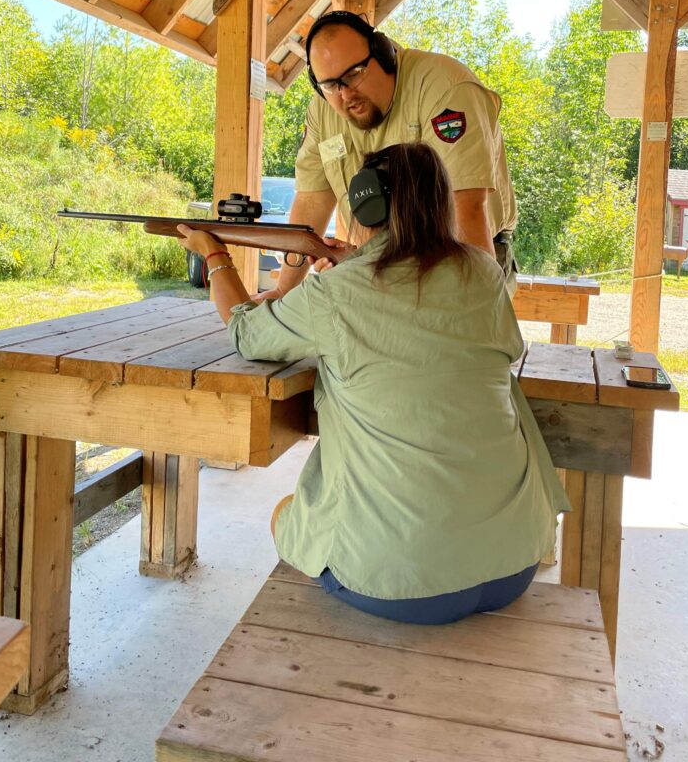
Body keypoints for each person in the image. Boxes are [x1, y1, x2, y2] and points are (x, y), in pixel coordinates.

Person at [177, 142, 568, 625]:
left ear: (366, 203)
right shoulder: (484, 274)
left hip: (400, 582)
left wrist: (214, 254)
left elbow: (245, 332)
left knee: (285, 514)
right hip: (515, 560)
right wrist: (362, 264)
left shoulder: (338, 291)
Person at [257, 10, 518, 302]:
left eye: (354, 74)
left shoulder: (444, 87)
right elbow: (311, 201)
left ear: (383, 54)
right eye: (330, 85)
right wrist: (283, 291)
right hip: (376, 265)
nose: (345, 95)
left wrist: (474, 308)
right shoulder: (322, 109)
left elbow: (464, 211)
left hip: (457, 262)